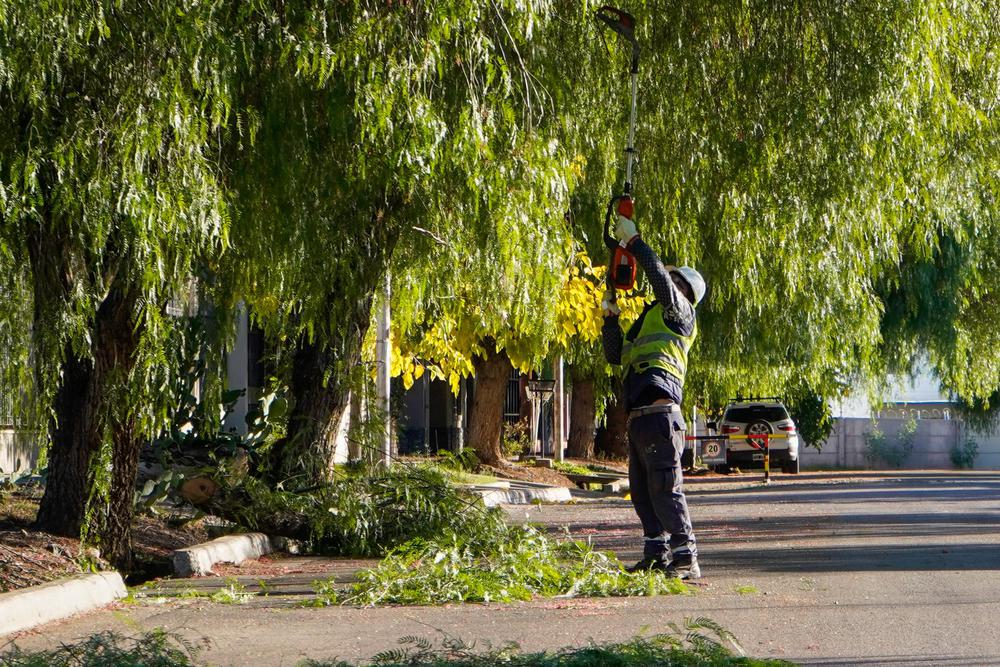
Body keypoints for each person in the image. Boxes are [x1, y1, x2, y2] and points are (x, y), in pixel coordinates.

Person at [601, 213, 706, 579]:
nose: (670, 282)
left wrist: (634, 243)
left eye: (677, 281)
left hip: (662, 416)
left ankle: (686, 560)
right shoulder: (647, 322)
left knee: (665, 489)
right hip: (640, 418)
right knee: (644, 495)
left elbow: (660, 279)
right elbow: (615, 356)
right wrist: (610, 317)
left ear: (686, 291)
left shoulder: (681, 312)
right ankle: (656, 555)